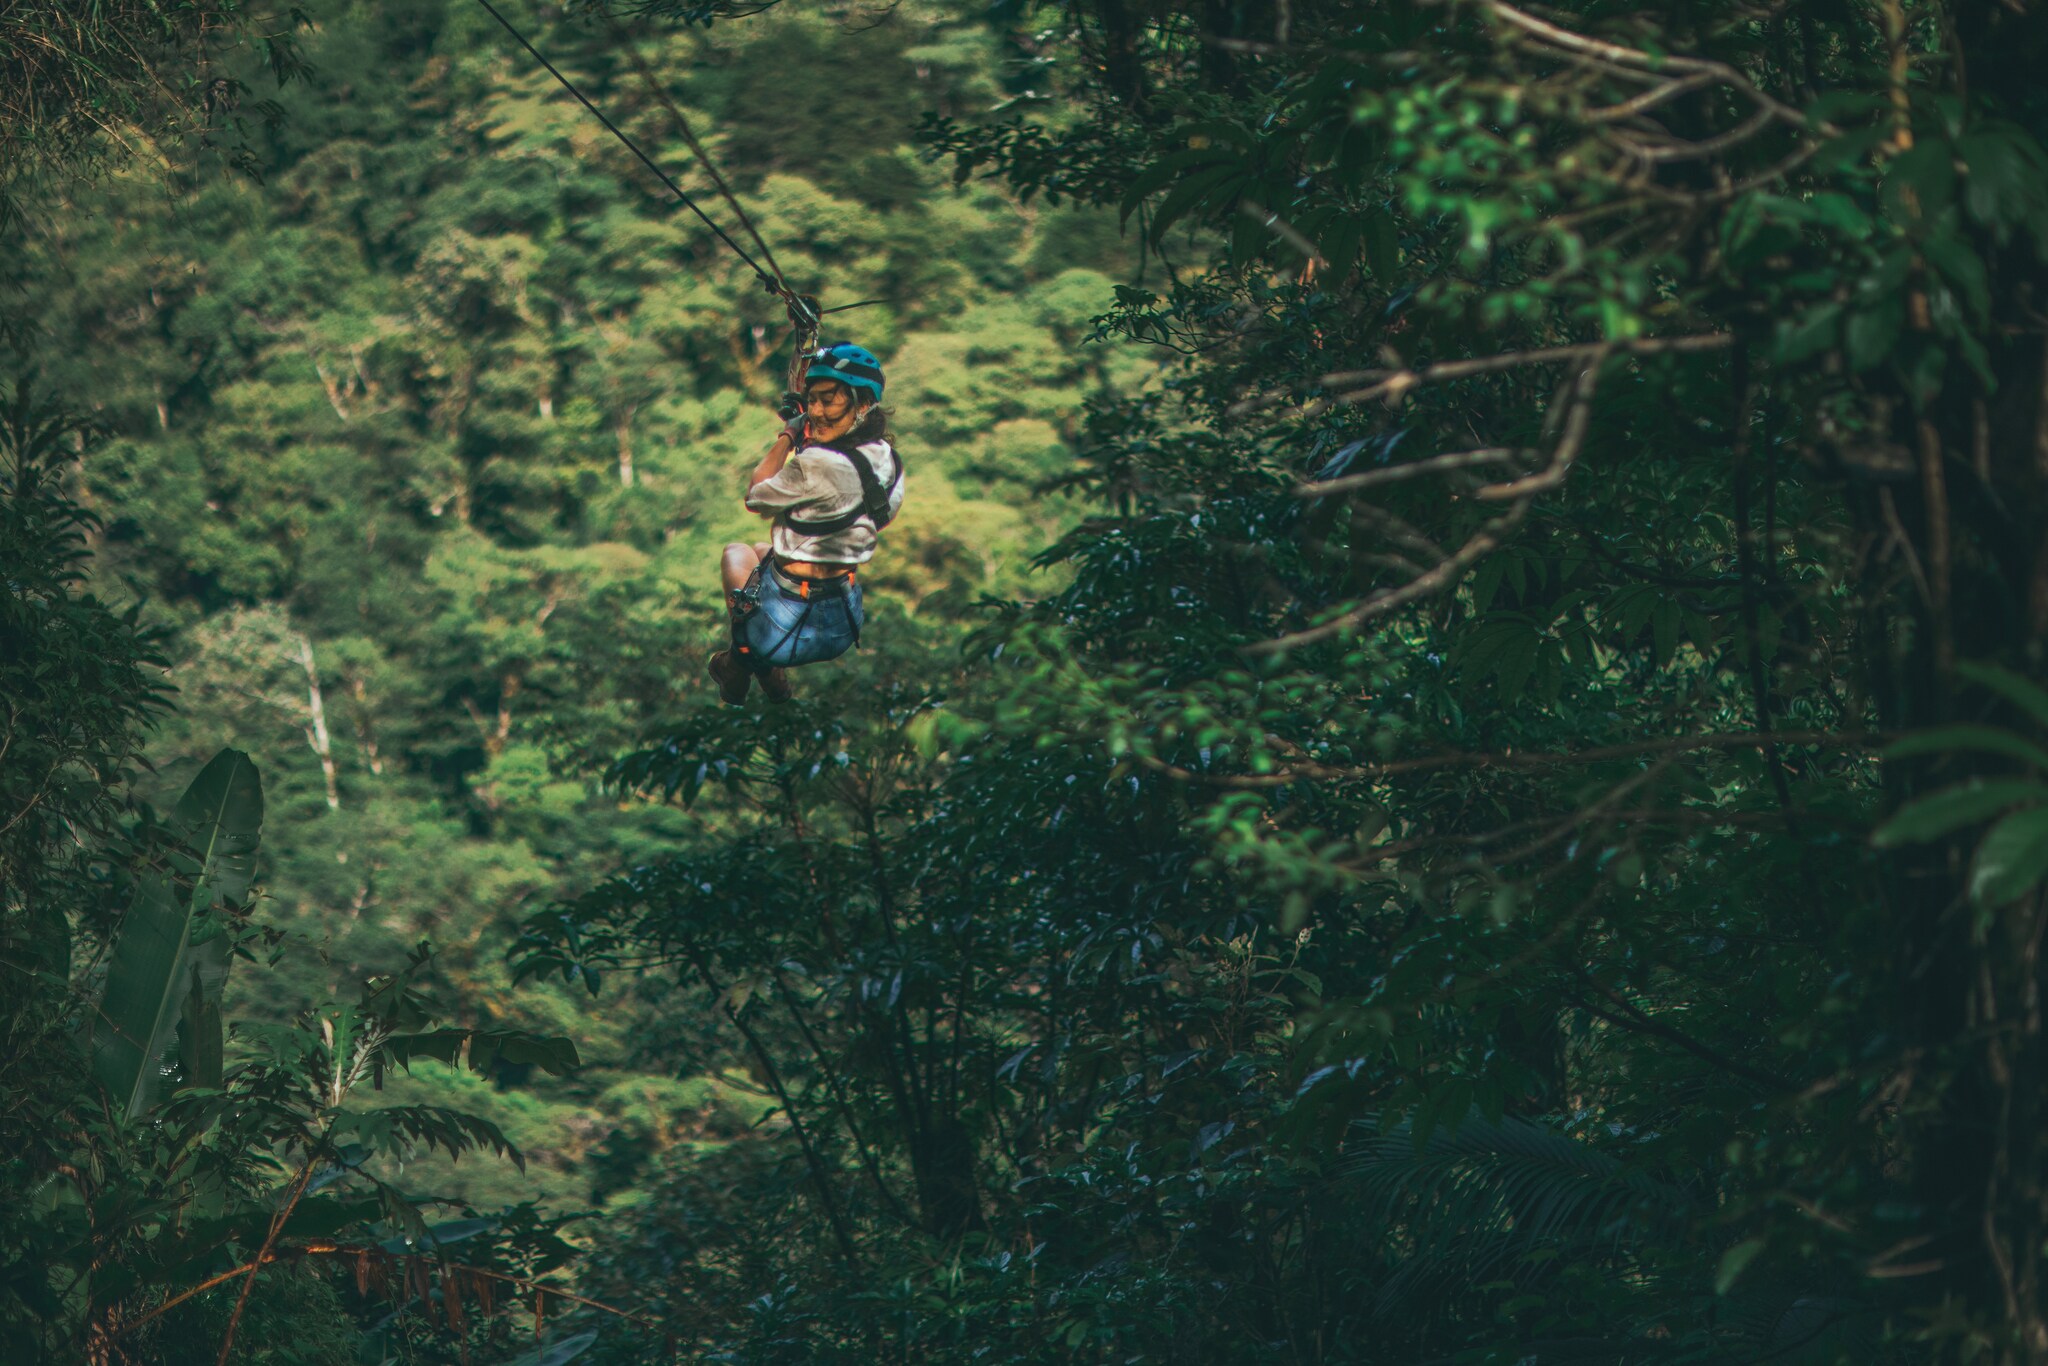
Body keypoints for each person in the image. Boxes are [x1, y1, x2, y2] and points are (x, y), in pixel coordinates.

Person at [708, 342, 903, 704]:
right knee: (763, 550)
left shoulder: (815, 463)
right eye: (812, 401)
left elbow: (755, 496)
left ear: (862, 404)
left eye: (828, 400)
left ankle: (744, 663)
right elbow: (881, 518)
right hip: (843, 620)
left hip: (784, 629)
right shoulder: (889, 459)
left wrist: (790, 435)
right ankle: (764, 675)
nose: (815, 411)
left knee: (736, 551)